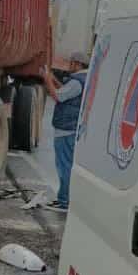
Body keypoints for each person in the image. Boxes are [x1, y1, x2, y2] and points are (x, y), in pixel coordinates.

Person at [42, 52, 89, 212]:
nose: (69, 66)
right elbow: (66, 92)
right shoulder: (84, 80)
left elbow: (58, 96)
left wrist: (47, 79)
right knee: (67, 165)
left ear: (77, 64)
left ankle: (64, 201)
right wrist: (54, 79)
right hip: (72, 128)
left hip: (66, 130)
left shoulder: (77, 82)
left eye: (71, 63)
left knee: (64, 167)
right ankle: (65, 198)